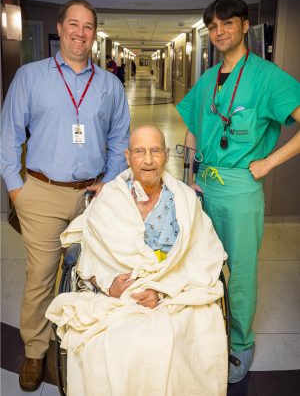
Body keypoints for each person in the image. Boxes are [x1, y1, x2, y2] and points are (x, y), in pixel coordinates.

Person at [0, 0, 130, 391]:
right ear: (60, 28)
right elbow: (9, 139)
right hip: (41, 193)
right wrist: (18, 192)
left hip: (93, 196)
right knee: (40, 277)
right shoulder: (30, 76)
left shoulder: (110, 84)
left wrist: (108, 182)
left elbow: (119, 139)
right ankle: (36, 353)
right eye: (73, 24)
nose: (80, 32)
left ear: (94, 34)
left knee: (92, 274)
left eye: (88, 26)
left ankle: (85, 343)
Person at [46, 125, 228, 396]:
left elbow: (201, 256)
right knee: (110, 343)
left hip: (171, 291)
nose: (148, 160)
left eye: (155, 150)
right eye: (140, 152)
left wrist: (161, 289)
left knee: (181, 339)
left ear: (166, 154)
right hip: (116, 295)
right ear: (128, 156)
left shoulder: (184, 199)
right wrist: (109, 285)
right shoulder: (110, 199)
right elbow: (93, 256)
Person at [176, 0, 300, 383]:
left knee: (240, 271)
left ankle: (240, 343)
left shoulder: (267, 76)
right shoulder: (207, 78)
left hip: (241, 190)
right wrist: (187, 177)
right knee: (200, 265)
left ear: (245, 25)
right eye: (213, 27)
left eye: (227, 23)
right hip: (203, 185)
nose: (219, 32)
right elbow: (193, 125)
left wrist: (267, 163)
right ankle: (207, 331)